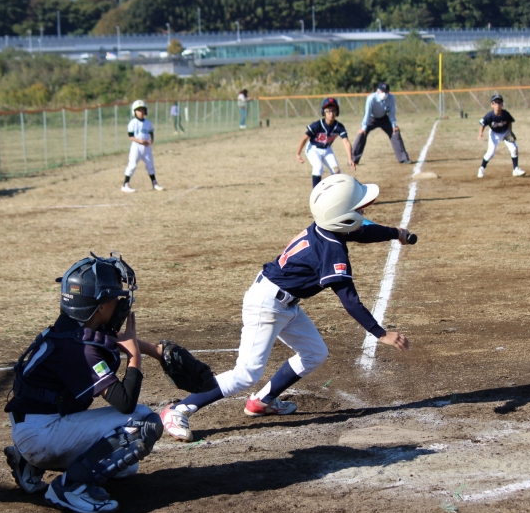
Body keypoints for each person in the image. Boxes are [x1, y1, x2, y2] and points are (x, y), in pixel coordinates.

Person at [160, 174, 412, 442]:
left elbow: (362, 231)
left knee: (314, 353)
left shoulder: (326, 228)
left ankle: (263, 401)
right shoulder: (333, 251)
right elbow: (349, 299)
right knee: (246, 374)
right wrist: (380, 333)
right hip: (266, 305)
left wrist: (395, 233)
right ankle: (178, 409)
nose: (364, 211)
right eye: (359, 208)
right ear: (342, 217)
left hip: (282, 301)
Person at [3, 253, 166, 513]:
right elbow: (125, 402)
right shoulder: (80, 349)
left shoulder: (70, 330)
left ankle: (29, 463)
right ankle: (69, 488)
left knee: (125, 466)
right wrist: (135, 355)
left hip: (33, 425)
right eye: (114, 296)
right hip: (41, 434)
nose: (120, 301)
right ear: (99, 306)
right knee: (143, 424)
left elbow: (107, 343)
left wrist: (153, 350)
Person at [295, 97, 355, 188]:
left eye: (334, 110)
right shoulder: (317, 125)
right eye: (328, 111)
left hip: (327, 149)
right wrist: (298, 154)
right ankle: (316, 193)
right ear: (323, 112)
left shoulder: (339, 126)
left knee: (337, 172)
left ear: (337, 112)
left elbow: (346, 142)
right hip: (313, 149)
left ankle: (337, 193)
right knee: (318, 168)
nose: (331, 113)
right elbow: (304, 138)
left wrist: (350, 158)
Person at [352, 83, 412, 165]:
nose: (384, 93)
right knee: (361, 134)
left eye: (386, 91)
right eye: (382, 91)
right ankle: (353, 159)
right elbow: (367, 113)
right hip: (371, 119)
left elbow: (392, 113)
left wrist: (394, 125)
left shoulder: (391, 98)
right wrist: (364, 128)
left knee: (395, 133)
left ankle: (403, 158)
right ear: (377, 91)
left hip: (384, 118)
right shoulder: (371, 98)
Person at [477, 94, 525, 178]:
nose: (497, 105)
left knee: (514, 148)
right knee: (491, 152)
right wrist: (480, 133)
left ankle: (516, 169)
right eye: (495, 102)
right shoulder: (489, 116)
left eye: (499, 102)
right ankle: (482, 168)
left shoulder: (505, 114)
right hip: (494, 133)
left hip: (505, 132)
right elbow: (482, 124)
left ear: (502, 104)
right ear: (492, 105)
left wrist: (510, 132)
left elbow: (509, 122)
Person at [122, 100, 163, 193]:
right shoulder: (133, 122)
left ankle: (154, 183)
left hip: (146, 147)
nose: (141, 112)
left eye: (142, 110)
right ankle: (125, 185)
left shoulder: (147, 122)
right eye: (138, 110)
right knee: (132, 165)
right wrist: (140, 141)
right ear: (134, 112)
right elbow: (131, 137)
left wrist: (151, 139)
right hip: (137, 146)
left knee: (150, 165)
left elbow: (151, 132)